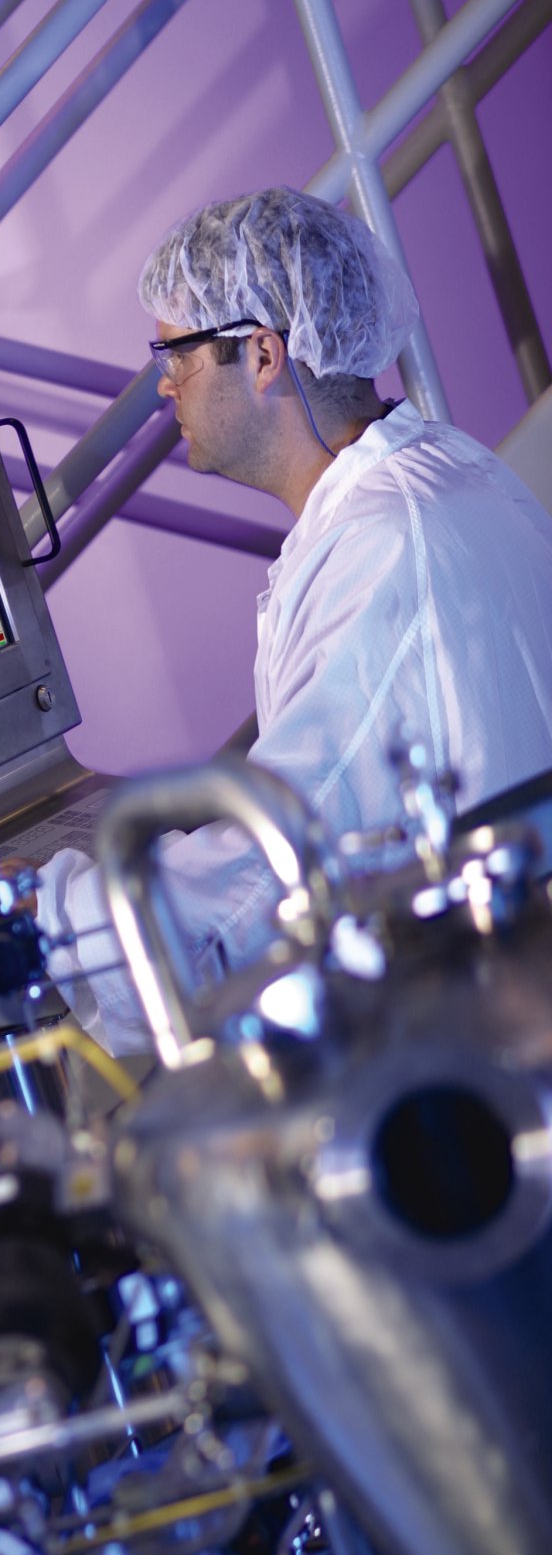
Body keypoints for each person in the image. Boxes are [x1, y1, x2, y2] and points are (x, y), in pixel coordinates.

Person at [33, 186, 552, 1055]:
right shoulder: (443, 468)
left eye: (177, 354)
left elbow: (274, 864)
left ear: (264, 353)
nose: (163, 383)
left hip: (486, 1041)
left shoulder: (384, 548)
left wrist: (47, 920)